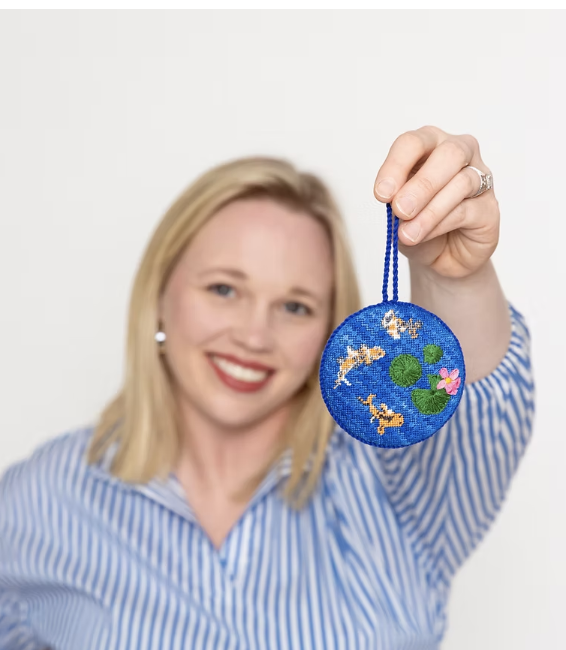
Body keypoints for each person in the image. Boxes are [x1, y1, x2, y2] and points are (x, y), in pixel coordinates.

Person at [0, 124, 535, 650]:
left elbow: (478, 413)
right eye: (224, 289)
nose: (254, 336)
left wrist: (454, 278)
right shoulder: (40, 500)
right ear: (160, 294)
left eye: (295, 307)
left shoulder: (392, 485)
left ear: (328, 332)